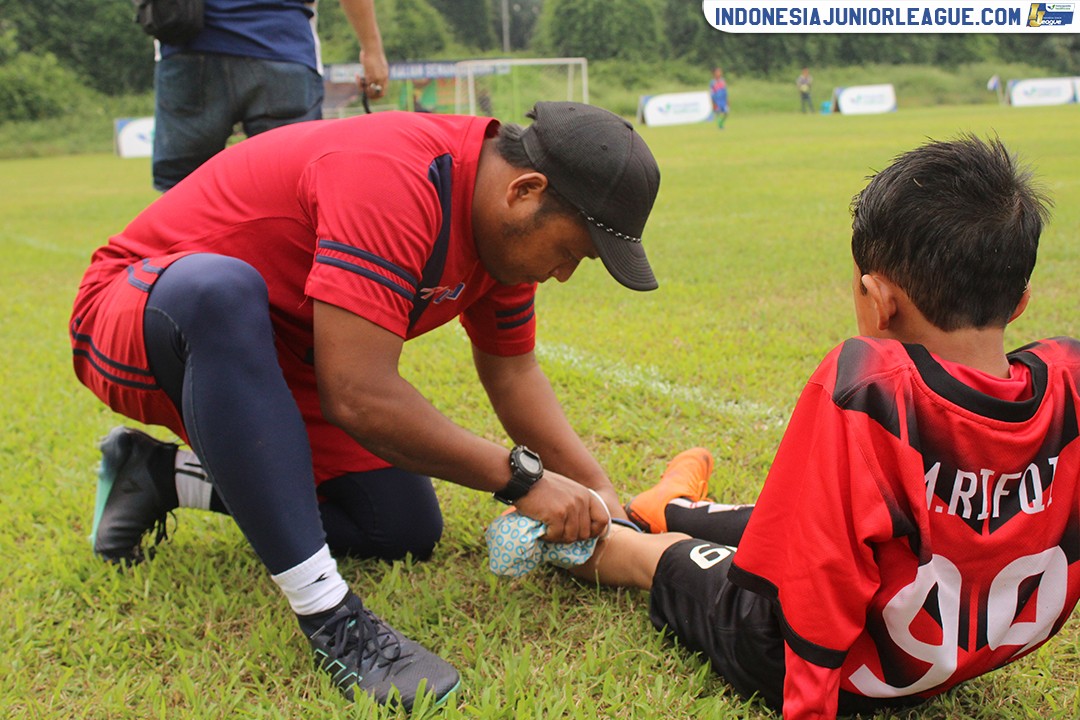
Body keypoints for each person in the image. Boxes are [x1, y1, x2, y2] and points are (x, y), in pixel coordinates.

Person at [71, 101, 661, 708]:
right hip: (144, 311)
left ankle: (157, 476)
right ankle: (331, 618)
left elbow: (511, 372)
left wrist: (597, 493)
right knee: (221, 291)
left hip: (282, 356)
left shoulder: (502, 237)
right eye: (572, 251)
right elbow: (358, 394)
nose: (563, 274)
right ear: (526, 191)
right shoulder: (397, 176)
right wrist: (523, 480)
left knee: (397, 524)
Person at [532, 136, 1079, 718]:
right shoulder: (1067, 380)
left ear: (876, 300)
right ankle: (669, 503)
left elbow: (820, 580)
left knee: (662, 557)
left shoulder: (871, 390)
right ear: (1019, 302)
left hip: (818, 661)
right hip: (953, 652)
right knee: (792, 523)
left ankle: (611, 528)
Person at [151, 0, 390, 192]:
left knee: (181, 196)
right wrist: (372, 51)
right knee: (290, 191)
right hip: (282, 45)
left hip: (189, 46)